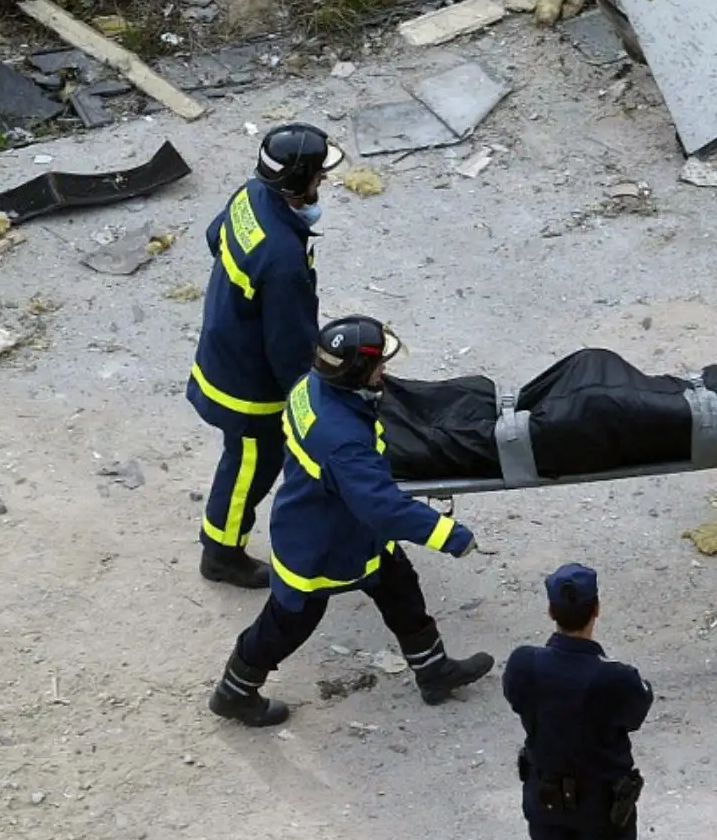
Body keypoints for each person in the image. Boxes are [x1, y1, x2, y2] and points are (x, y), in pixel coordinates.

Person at [206, 316, 493, 725]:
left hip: (343, 529)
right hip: (323, 546)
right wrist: (451, 535)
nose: (384, 371)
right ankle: (235, 692)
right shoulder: (343, 441)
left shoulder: (311, 388)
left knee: (400, 588)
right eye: (377, 365)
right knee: (288, 622)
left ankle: (433, 672)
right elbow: (383, 507)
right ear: (356, 373)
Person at [502, 564, 671, 840]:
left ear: (550, 611)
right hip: (602, 805)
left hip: (545, 795)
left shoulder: (524, 663)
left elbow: (516, 699)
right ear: (596, 610)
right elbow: (636, 712)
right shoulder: (614, 678)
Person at [188, 123, 344, 589]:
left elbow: (214, 236)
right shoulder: (282, 260)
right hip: (248, 386)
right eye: (318, 176)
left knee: (243, 460)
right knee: (250, 467)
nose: (323, 184)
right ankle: (221, 554)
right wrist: (313, 399)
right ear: (297, 182)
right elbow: (290, 346)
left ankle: (223, 546)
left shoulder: (250, 196)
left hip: (224, 346)